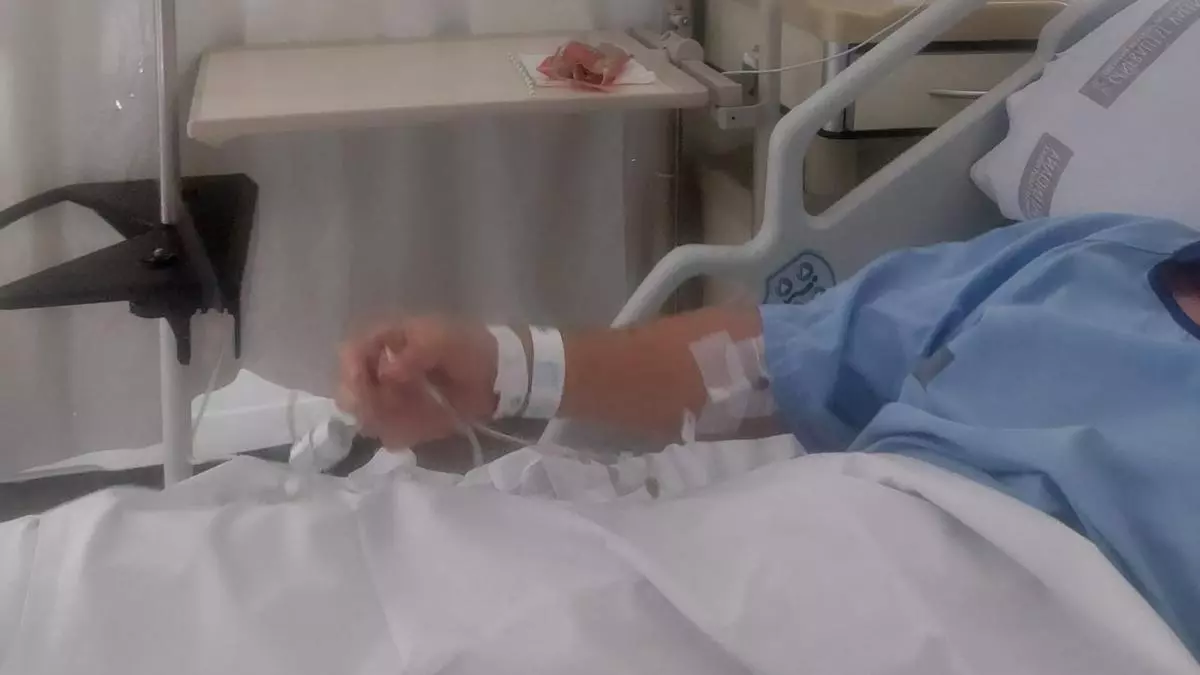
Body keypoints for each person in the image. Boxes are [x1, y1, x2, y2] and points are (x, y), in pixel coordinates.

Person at [339, 213, 1200, 658]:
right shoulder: (1096, 256)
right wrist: (508, 368)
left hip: (1046, 623)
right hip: (813, 537)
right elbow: (765, 362)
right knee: (358, 572)